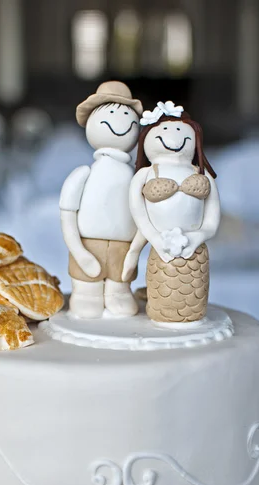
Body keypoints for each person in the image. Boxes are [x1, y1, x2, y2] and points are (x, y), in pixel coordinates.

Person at [123, 101, 221, 324]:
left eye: (179, 129)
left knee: (192, 299)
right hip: (161, 248)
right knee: (163, 296)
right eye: (165, 130)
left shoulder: (203, 174)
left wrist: (199, 236)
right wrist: (154, 238)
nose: (173, 135)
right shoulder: (145, 175)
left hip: (195, 251)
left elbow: (212, 219)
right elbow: (139, 214)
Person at [60, 81, 143, 319]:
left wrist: (135, 250)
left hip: (123, 248)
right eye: (109, 114)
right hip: (88, 244)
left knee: (120, 289)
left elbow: (142, 214)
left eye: (127, 116)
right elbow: (67, 213)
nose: (119, 120)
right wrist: (78, 251)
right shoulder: (83, 174)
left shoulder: (136, 178)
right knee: (87, 295)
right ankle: (87, 294)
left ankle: (118, 293)